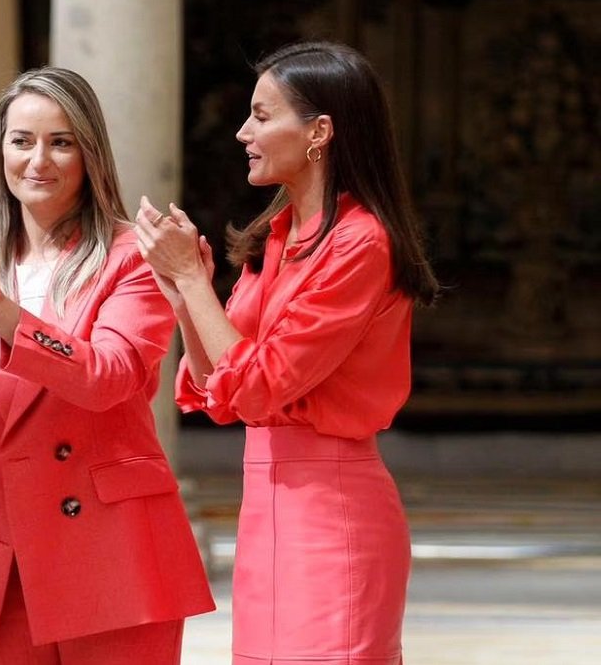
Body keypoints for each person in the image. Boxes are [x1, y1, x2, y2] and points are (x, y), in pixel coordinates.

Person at [133, 41, 441, 665]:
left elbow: (260, 384)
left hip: (335, 515)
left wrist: (197, 287)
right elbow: (219, 391)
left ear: (320, 132)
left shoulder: (361, 244)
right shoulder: (279, 234)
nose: (244, 131)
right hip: (265, 510)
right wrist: (184, 291)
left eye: (263, 115)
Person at [0, 67, 215, 664]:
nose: (38, 160)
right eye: (22, 141)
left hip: (111, 549)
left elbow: (108, 378)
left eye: (61, 141)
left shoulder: (133, 256)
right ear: (0, 151)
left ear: (91, 153)